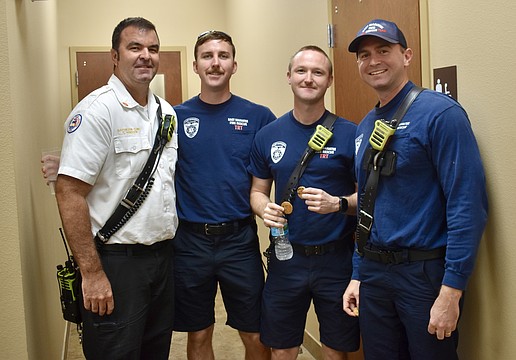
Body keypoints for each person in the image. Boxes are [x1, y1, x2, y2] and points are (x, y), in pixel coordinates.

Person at [342, 19, 488, 360]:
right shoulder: (365, 126)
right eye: (364, 55)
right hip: (375, 275)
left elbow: (467, 205)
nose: (373, 60)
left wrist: (451, 292)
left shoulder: (440, 114)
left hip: (424, 276)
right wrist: (357, 274)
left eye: (383, 50)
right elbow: (367, 208)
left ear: (406, 55)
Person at [55, 17, 178, 359]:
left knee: (156, 351)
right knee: (115, 352)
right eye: (134, 47)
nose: (145, 56)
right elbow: (69, 192)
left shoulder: (165, 113)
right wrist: (92, 274)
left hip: (161, 259)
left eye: (153, 49)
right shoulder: (97, 111)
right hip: (116, 262)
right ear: (115, 55)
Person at [248, 45, 360, 360]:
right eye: (301, 71)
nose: (308, 78)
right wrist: (263, 209)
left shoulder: (350, 134)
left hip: (336, 259)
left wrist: (337, 203)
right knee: (282, 349)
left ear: (330, 80)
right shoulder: (269, 135)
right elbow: (257, 191)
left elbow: (367, 199)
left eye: (317, 72)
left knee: (335, 350)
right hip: (287, 259)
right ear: (289, 77)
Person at [172, 30, 275, 360]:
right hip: (189, 242)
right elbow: (133, 162)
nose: (215, 63)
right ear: (195, 65)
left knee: (254, 333)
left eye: (223, 56)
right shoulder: (175, 117)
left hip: (238, 240)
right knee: (199, 332)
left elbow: (286, 159)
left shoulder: (259, 117)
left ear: (234, 65)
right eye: (207, 56)